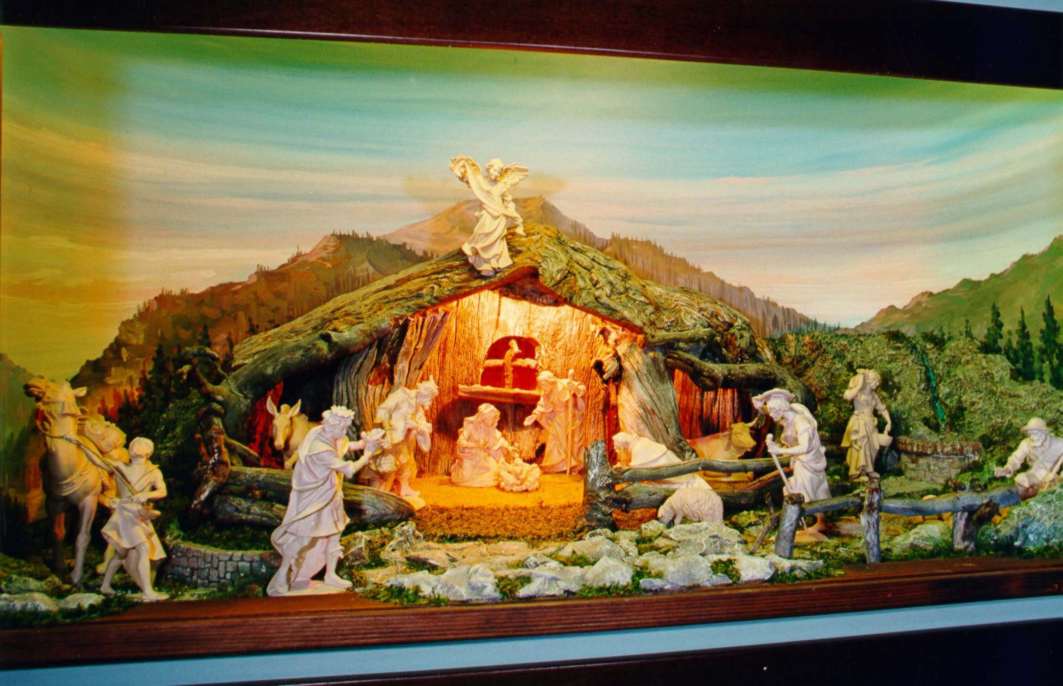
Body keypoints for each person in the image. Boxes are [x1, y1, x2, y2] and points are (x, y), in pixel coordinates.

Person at [267, 406, 371, 596]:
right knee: (303, 538)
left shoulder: (324, 434)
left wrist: (365, 443)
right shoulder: (320, 448)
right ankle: (283, 575)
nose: (344, 432)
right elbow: (349, 469)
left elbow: (346, 445)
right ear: (332, 427)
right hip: (315, 501)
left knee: (334, 534)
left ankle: (330, 574)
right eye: (342, 428)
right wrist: (368, 454)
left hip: (331, 496)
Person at [754, 388, 831, 537]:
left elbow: (805, 447)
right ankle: (808, 521)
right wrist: (778, 447)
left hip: (808, 461)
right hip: (800, 461)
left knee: (805, 490)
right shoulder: (787, 420)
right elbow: (792, 443)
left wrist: (778, 450)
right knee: (799, 489)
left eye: (773, 411)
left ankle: (818, 522)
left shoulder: (801, 422)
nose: (771, 415)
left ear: (781, 408)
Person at [99, 437, 168, 602]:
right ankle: (147, 591)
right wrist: (78, 443)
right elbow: (99, 461)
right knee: (143, 547)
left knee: (121, 553)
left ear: (148, 452)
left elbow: (162, 491)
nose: (135, 447)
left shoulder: (153, 472)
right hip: (124, 514)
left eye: (140, 445)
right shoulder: (121, 467)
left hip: (138, 515)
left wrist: (147, 494)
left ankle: (105, 586)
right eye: (133, 445)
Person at [449, 155, 528, 276]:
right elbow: (472, 179)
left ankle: (495, 262)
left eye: (499, 172)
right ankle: (480, 261)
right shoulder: (481, 181)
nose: (496, 174)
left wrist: (512, 212)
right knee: (483, 234)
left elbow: (508, 200)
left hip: (499, 217)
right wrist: (464, 165)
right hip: (487, 214)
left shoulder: (502, 185)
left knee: (497, 239)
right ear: (489, 169)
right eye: (495, 170)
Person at [841, 369, 892, 479]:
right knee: (861, 446)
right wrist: (859, 386)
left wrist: (889, 421)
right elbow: (847, 396)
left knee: (872, 447)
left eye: (878, 382)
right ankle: (858, 472)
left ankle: (869, 469)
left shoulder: (874, 396)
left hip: (870, 424)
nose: (877, 384)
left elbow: (882, 409)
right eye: (876, 381)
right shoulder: (858, 392)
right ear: (869, 380)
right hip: (859, 423)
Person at [995, 417, 1063, 497]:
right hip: (1034, 475)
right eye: (1030, 434)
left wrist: (1060, 478)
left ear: (1044, 432)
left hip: (1053, 477)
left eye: (1035, 433)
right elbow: (1016, 458)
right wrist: (1008, 469)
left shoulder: (1059, 444)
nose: (1033, 437)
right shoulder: (1026, 444)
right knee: (1021, 479)